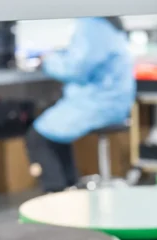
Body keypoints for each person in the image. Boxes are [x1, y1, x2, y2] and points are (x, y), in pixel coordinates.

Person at [26, 17, 135, 192]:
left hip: (98, 103)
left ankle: (57, 193)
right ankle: (69, 187)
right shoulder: (107, 26)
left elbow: (76, 69)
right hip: (113, 102)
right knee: (57, 134)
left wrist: (47, 60)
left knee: (39, 135)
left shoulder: (92, 26)